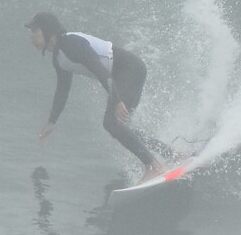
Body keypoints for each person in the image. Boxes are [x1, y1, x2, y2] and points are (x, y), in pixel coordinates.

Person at [25, 11, 165, 183]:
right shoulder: (59, 57)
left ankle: (154, 166)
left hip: (129, 70)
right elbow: (62, 90)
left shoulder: (71, 44)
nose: (31, 37)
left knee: (111, 123)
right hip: (123, 74)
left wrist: (118, 100)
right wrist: (51, 122)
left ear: (48, 31)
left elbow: (99, 69)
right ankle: (173, 154)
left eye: (35, 31)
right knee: (121, 127)